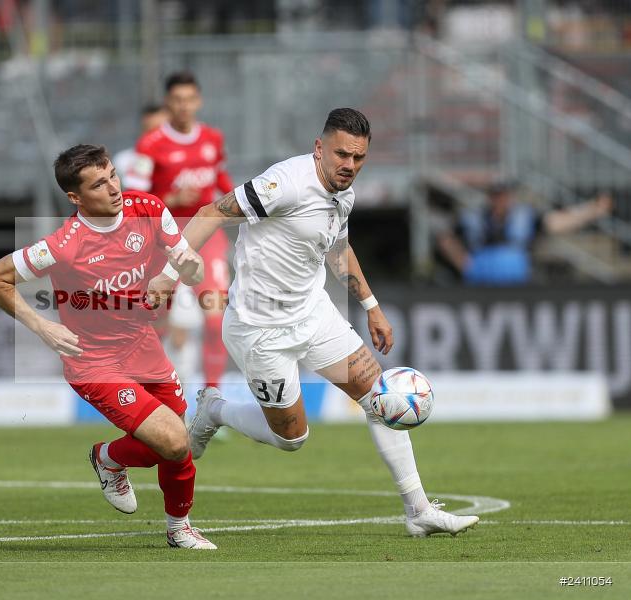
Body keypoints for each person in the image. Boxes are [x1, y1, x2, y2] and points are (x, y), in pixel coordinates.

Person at [148, 108, 479, 537]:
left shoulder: (345, 193)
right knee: (292, 438)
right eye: (342, 154)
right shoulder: (282, 184)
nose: (350, 165)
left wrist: (371, 304)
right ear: (319, 148)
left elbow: (338, 250)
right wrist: (169, 274)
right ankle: (215, 410)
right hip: (260, 329)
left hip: (314, 314)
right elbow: (212, 213)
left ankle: (418, 511)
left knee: (379, 397)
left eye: (359, 158)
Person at [0, 144, 217, 550]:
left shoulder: (149, 207)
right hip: (94, 361)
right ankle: (178, 529)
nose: (113, 187)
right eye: (99, 183)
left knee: (179, 442)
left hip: (142, 345)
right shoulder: (64, 244)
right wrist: (42, 327)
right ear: (75, 197)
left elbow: (183, 259)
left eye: (112, 175)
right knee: (174, 441)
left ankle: (112, 461)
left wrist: (176, 274)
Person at [126, 71, 233, 390]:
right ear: (168, 103)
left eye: (189, 99)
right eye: (177, 100)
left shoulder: (212, 139)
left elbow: (222, 182)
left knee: (216, 320)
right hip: (165, 236)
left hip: (207, 232)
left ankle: (212, 396)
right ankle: (155, 395)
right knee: (156, 321)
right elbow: (133, 198)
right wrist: (169, 199)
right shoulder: (150, 144)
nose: (184, 106)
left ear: (198, 101)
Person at [435, 181, 613, 285]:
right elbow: (446, 238)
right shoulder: (473, 219)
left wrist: (592, 210)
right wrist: (467, 266)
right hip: (481, 283)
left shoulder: (524, 217)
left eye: (503, 195)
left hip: (517, 283)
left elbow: (557, 222)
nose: (500, 200)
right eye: (496, 195)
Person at [113, 104, 168, 187]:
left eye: (159, 132)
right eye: (151, 131)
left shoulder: (182, 160)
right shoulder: (122, 161)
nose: (154, 137)